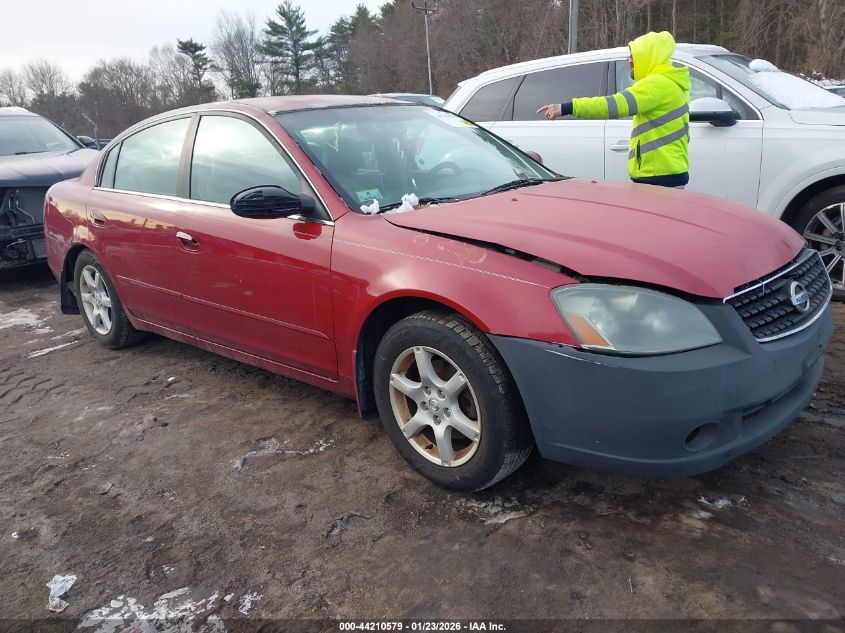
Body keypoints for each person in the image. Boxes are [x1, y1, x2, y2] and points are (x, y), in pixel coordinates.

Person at [538, 31, 691, 188]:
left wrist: (567, 107)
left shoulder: (655, 85)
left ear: (647, 56)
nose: (629, 61)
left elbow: (610, 105)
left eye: (633, 56)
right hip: (670, 170)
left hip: (657, 176)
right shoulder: (674, 82)